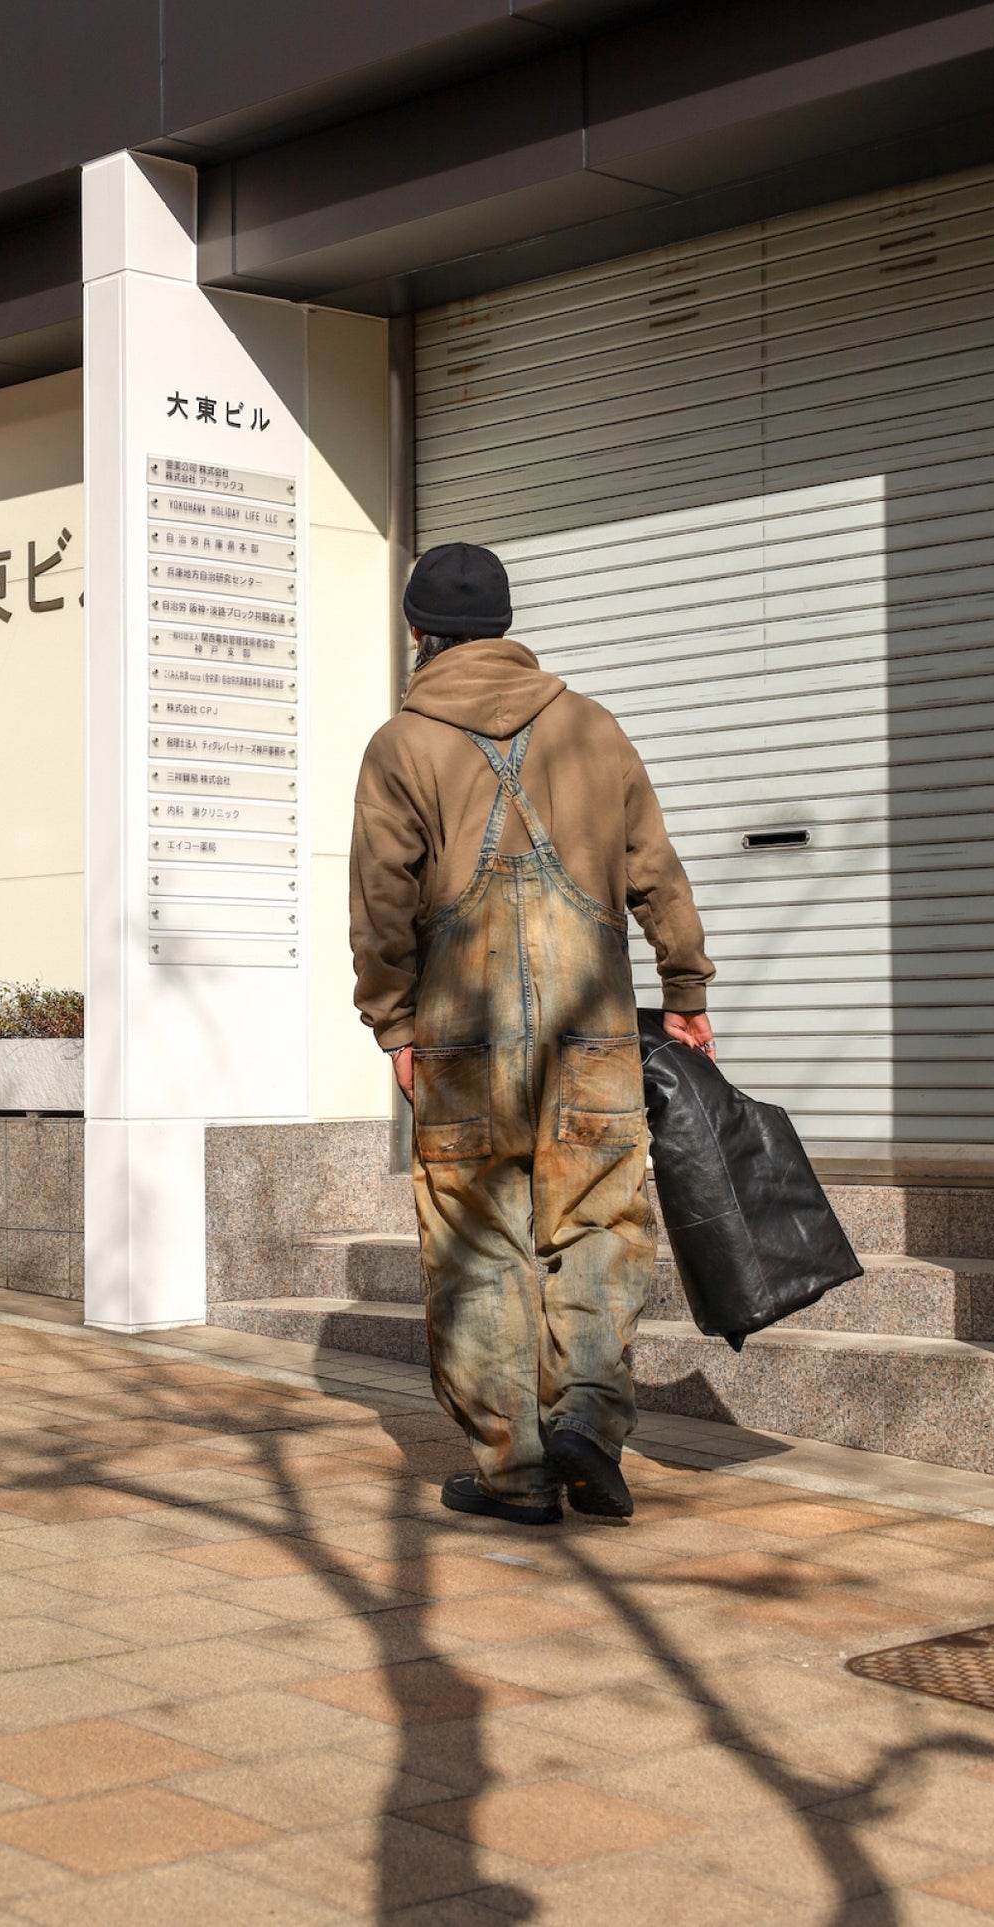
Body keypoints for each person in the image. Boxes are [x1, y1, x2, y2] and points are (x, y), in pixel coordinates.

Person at [349, 541, 714, 1525]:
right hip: (587, 1032)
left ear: (417, 632)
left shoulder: (401, 746)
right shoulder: (591, 730)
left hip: (459, 1036)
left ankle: (513, 1470)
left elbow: (381, 907)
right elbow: (653, 870)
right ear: (506, 626)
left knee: (477, 1243)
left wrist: (392, 1026)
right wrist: (683, 984)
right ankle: (588, 1422)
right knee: (598, 1226)